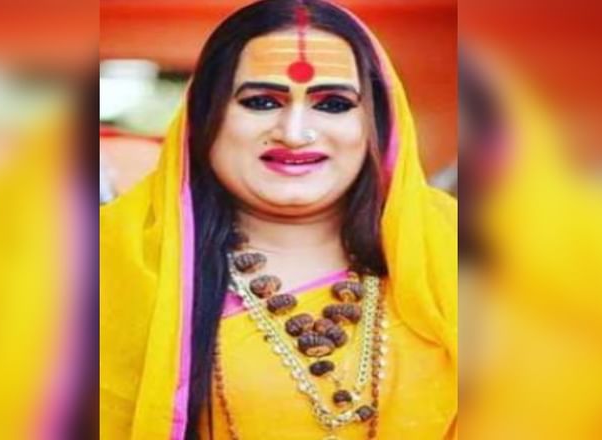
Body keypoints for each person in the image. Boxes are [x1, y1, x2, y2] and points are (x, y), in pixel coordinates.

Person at [100, 1, 457, 439]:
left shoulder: (458, 249)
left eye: (333, 104)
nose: (294, 132)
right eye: (262, 101)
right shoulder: (109, 262)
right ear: (203, 118)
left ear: (378, 124)